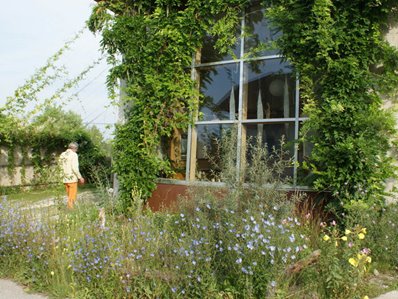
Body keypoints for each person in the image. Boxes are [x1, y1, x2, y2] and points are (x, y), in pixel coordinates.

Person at [59, 142, 85, 209]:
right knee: (72, 196)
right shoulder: (74, 155)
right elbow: (75, 168)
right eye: (77, 149)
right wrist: (80, 177)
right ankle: (70, 209)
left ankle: (70, 208)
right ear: (75, 148)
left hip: (65, 178)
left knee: (69, 196)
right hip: (72, 179)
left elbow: (60, 166)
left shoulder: (62, 154)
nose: (76, 150)